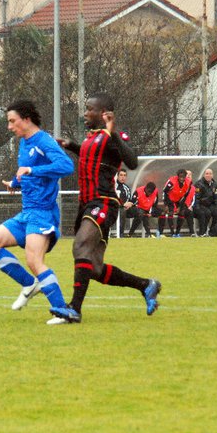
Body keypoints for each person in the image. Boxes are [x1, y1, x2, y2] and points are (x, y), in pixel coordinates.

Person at [51, 92, 161, 324]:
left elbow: (132, 161)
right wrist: (71, 145)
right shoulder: (93, 138)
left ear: (104, 114)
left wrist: (113, 132)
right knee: (93, 268)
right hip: (87, 204)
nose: (84, 114)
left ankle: (74, 309)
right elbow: (90, 156)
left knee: (81, 246)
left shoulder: (113, 136)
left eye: (89, 109)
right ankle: (146, 285)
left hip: (103, 202)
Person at [0, 100, 74, 319]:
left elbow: (67, 166)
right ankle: (30, 285)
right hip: (26, 212)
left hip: (43, 213)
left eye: (12, 121)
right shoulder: (24, 142)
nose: (10, 126)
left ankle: (62, 311)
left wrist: (32, 169)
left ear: (27, 119)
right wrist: (15, 182)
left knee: (34, 261)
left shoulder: (43, 140)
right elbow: (26, 172)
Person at [159, 169, 196, 237]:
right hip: (169, 199)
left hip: (179, 199)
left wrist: (180, 207)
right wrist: (166, 204)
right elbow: (165, 191)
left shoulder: (189, 182)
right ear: (178, 176)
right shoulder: (171, 181)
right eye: (180, 177)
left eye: (183, 177)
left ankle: (177, 233)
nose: (182, 179)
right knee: (171, 212)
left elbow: (185, 195)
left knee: (182, 213)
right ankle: (172, 233)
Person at [194, 168, 217, 237]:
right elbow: (196, 197)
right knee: (206, 213)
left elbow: (216, 196)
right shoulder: (198, 184)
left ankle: (213, 232)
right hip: (201, 205)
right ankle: (202, 233)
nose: (208, 175)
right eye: (207, 174)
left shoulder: (214, 184)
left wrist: (216, 205)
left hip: (211, 204)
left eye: (210, 174)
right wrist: (197, 207)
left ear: (212, 175)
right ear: (204, 175)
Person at [115, 168, 133, 237]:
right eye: (121, 175)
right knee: (122, 211)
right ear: (117, 176)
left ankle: (130, 234)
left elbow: (129, 199)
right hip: (115, 209)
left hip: (126, 208)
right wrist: (123, 205)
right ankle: (120, 234)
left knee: (139, 212)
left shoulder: (126, 188)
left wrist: (130, 204)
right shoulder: (113, 186)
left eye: (124, 175)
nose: (123, 177)